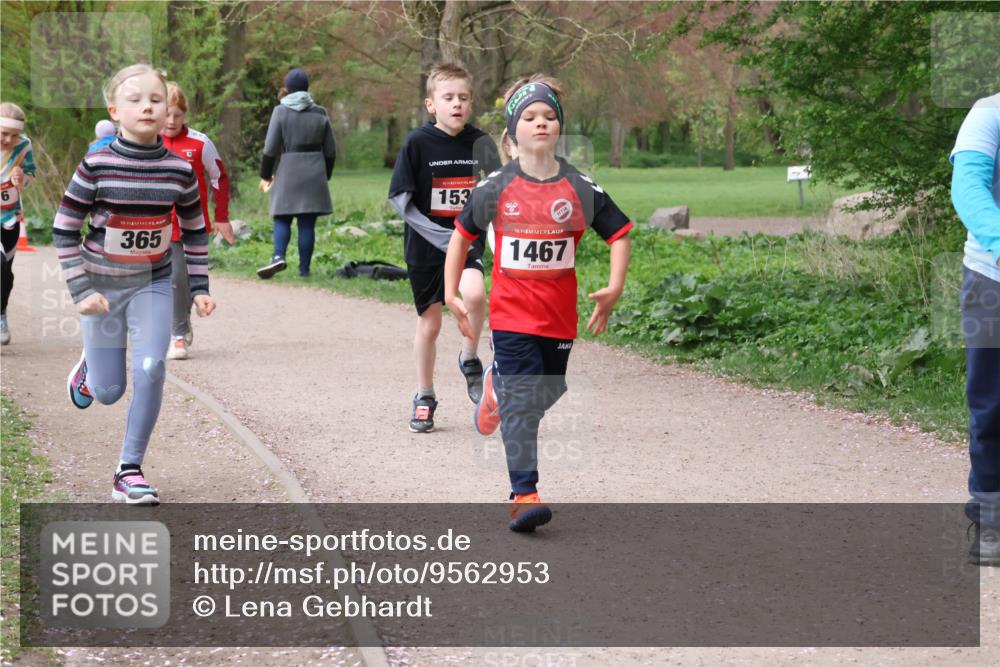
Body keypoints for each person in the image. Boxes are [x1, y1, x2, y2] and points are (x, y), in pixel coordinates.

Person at [445, 75, 632, 531]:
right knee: (525, 401)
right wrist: (452, 293)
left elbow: (620, 233)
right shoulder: (496, 186)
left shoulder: (578, 184)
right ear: (513, 133)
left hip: (558, 317)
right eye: (529, 117)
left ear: (560, 127)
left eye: (549, 116)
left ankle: (495, 388)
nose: (541, 123)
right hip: (511, 315)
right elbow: (461, 235)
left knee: (549, 389)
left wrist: (613, 288)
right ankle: (523, 494)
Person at [54, 64, 215, 504]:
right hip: (102, 289)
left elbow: (195, 229)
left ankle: (129, 470)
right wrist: (81, 291)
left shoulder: (177, 169)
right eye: (134, 99)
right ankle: (90, 371)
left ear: (168, 111)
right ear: (114, 110)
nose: (147, 105)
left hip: (153, 281)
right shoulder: (97, 162)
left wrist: (199, 287)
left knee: (152, 367)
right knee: (109, 392)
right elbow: (64, 229)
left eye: (156, 99)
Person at [388, 63, 501, 433]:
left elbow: (498, 196)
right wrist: (442, 237)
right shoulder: (416, 144)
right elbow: (401, 201)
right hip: (426, 247)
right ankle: (425, 395)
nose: (457, 104)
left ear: (471, 103)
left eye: (463, 98)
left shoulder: (481, 143)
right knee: (431, 324)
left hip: (467, 244)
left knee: (475, 296)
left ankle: (469, 358)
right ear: (430, 104)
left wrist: (490, 238)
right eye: (448, 97)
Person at [951, 91, 1000, 565]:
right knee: (991, 405)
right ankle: (992, 522)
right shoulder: (988, 113)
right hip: (993, 277)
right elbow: (968, 187)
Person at [161, 81, 234, 360]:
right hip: (154, 225)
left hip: (189, 225)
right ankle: (169, 325)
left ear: (185, 115)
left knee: (179, 278)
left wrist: (222, 217)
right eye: (166, 114)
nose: (170, 121)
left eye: (177, 115)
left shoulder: (199, 143)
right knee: (157, 279)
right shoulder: (147, 141)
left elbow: (219, 178)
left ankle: (178, 335)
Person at [257, 68, 336, 279]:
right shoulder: (320, 113)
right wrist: (324, 175)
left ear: (287, 88)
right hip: (314, 172)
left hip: (287, 170)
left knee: (282, 217)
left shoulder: (280, 112)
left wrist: (265, 175)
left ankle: (278, 256)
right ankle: (304, 269)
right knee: (307, 222)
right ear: (307, 88)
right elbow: (330, 150)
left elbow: (270, 148)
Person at [0, 102, 36, 346]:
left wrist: (22, 179)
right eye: (3, 134)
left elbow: (31, 175)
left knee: (5, 272)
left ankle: (1, 314)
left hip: (9, 216)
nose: (9, 139)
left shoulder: (24, 146)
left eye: (14, 135)